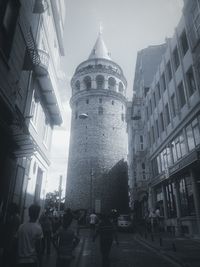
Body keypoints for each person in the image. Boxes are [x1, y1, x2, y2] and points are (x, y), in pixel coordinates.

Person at [2, 202, 20, 267]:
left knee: (8, 258)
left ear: (13, 209)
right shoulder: (14, 216)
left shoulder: (15, 217)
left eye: (10, 208)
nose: (9, 209)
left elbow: (13, 230)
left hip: (11, 240)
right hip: (9, 240)